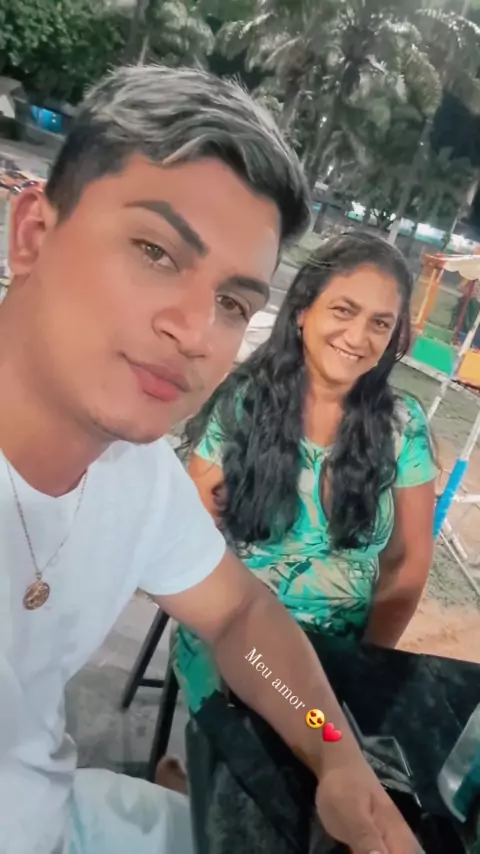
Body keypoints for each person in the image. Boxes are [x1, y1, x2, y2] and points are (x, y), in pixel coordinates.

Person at [0, 64, 422, 854]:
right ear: (33, 235)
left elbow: (239, 617)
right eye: (156, 251)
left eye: (232, 302)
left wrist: (333, 751)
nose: (195, 331)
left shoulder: (137, 476)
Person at [173, 232, 437, 716]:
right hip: (234, 631)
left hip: (345, 649)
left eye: (380, 323)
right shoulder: (241, 406)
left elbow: (407, 563)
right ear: (302, 311)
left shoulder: (404, 428)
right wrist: (245, 646)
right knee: (279, 741)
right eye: (343, 310)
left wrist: (368, 664)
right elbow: (192, 539)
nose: (358, 337)